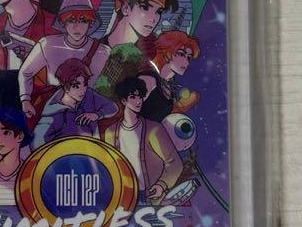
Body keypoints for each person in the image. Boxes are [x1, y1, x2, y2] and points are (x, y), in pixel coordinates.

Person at [18, 0, 110, 119]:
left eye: (83, 21)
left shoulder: (103, 52)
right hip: (54, 110)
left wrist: (99, 114)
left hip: (89, 114)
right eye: (71, 20)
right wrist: (25, 100)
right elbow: (25, 72)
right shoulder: (47, 44)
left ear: (90, 23)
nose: (77, 27)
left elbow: (111, 89)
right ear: (63, 22)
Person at [102, 76, 182, 204]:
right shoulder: (110, 132)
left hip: (151, 197)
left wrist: (161, 185)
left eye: (140, 97)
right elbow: (109, 167)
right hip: (124, 198)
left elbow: (175, 162)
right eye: (133, 97)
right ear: (124, 100)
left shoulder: (154, 129)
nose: (138, 101)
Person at [32, 57, 118, 147]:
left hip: (94, 151)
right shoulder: (53, 115)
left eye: (85, 84)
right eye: (76, 86)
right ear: (65, 87)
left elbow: (113, 107)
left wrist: (97, 114)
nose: (82, 90)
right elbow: (36, 143)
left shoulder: (89, 94)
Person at [105, 0, 178, 49]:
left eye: (159, 11)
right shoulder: (98, 49)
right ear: (125, 8)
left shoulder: (153, 51)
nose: (153, 19)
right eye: (144, 7)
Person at [140, 30, 201, 121]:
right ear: (166, 53)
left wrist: (180, 107)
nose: (186, 62)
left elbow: (161, 117)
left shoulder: (169, 88)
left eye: (189, 57)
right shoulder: (149, 80)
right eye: (181, 54)